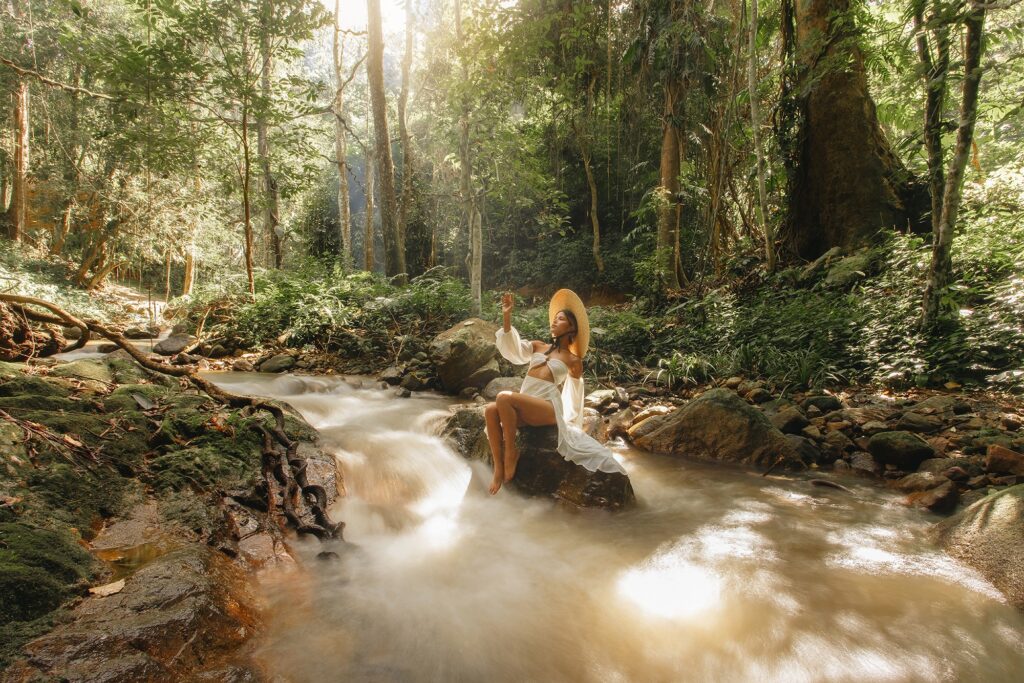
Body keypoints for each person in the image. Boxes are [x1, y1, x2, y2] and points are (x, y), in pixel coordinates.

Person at [485, 288, 627, 495]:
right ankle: (498, 468)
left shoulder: (573, 360)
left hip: (547, 408)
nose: (553, 322)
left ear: (571, 327)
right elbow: (513, 350)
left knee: (502, 397)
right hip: (525, 406)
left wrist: (571, 422)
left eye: (560, 319)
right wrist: (507, 315)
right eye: (554, 319)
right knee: (490, 409)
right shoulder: (538, 346)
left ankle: (511, 452)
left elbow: (575, 393)